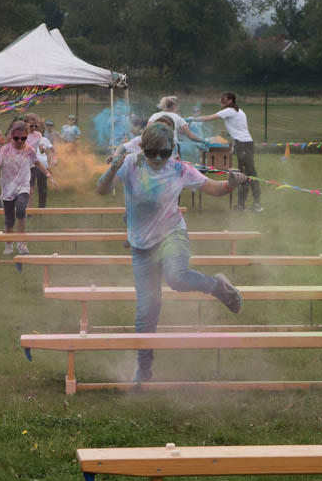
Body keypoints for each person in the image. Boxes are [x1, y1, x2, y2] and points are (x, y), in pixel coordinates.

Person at [97, 122, 247, 383]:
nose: (157, 158)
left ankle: (218, 287)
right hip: (141, 246)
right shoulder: (131, 164)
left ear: (172, 150)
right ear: (143, 148)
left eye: (164, 153)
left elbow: (214, 189)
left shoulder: (180, 169)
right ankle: (144, 371)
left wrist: (231, 184)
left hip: (172, 234)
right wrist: (113, 169)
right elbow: (101, 189)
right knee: (147, 310)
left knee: (176, 277)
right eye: (152, 152)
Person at [0, 121, 57, 255]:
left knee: (20, 210)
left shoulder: (29, 150)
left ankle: (22, 243)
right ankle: (8, 243)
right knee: (9, 218)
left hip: (23, 186)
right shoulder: (5, 149)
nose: (20, 141)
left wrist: (49, 175)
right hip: (8, 187)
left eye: (23, 138)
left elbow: (37, 163)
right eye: (17, 138)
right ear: (12, 136)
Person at [191, 92, 263, 212]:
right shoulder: (238, 111)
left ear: (230, 101)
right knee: (243, 176)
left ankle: (257, 204)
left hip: (244, 145)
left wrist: (191, 119)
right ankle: (241, 205)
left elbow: (210, 118)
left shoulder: (229, 110)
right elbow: (241, 130)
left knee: (251, 174)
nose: (220, 101)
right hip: (244, 144)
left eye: (223, 99)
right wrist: (229, 135)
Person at [24, 113, 43, 206]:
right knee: (21, 188)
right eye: (31, 125)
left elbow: (41, 146)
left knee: (31, 190)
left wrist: (42, 149)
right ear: (26, 124)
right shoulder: (21, 134)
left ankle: (29, 210)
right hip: (21, 165)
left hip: (32, 166)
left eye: (35, 125)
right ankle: (19, 207)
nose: (33, 127)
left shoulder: (38, 135)